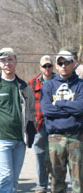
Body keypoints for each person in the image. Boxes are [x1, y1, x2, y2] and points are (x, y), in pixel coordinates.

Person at [0, 47, 36, 193]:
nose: (7, 63)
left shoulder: (24, 86)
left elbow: (31, 110)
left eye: (10, 59)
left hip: (19, 141)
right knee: (5, 176)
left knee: (14, 179)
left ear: (15, 61)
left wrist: (30, 131)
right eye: (3, 60)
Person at [41, 50, 83, 193]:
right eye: (60, 63)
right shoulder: (48, 85)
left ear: (74, 63)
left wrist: (59, 103)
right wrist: (70, 108)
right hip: (55, 138)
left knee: (79, 182)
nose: (63, 65)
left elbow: (80, 108)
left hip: (76, 138)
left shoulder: (81, 85)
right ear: (56, 66)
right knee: (56, 182)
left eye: (67, 62)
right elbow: (46, 110)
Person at [28, 55, 55, 193]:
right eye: (45, 66)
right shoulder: (32, 83)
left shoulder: (60, 81)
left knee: (55, 157)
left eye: (49, 66)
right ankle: (41, 186)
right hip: (39, 125)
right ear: (40, 67)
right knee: (40, 157)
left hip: (56, 125)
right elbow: (27, 106)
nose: (47, 68)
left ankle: (56, 184)